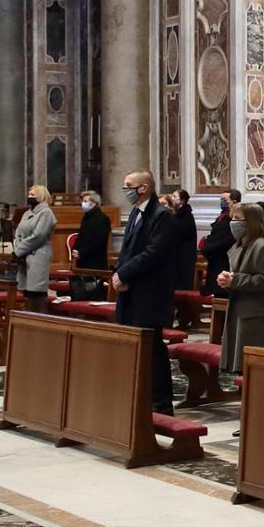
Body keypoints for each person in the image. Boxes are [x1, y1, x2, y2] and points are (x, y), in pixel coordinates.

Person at [113, 170, 180, 414]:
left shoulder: (162, 216)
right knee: (134, 346)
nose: (125, 191)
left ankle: (160, 404)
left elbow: (153, 253)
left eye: (127, 186)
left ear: (143, 188)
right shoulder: (136, 212)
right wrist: (119, 273)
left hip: (150, 294)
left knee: (152, 349)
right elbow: (129, 250)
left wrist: (124, 274)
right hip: (132, 292)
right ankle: (138, 397)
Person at [215, 202, 264, 375]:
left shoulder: (262, 246)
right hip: (240, 304)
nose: (233, 223)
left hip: (255, 311)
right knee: (238, 362)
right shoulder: (239, 244)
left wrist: (234, 280)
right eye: (232, 219)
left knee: (251, 364)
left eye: (237, 219)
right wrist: (227, 279)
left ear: (250, 221)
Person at [12, 186, 57, 314]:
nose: (29, 197)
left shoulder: (46, 213)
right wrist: (18, 250)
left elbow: (39, 236)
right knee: (26, 292)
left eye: (33, 195)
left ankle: (41, 321)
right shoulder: (27, 213)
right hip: (24, 256)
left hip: (38, 255)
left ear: (41, 196)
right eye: (29, 194)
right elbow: (18, 233)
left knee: (36, 292)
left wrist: (19, 251)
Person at [201, 190, 240, 298]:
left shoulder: (234, 219)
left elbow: (227, 240)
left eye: (225, 200)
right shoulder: (222, 217)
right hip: (215, 259)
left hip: (224, 259)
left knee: (222, 293)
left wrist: (208, 248)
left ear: (234, 202)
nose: (222, 202)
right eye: (221, 200)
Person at [167, 189, 199, 291]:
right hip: (177, 254)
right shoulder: (176, 214)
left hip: (184, 256)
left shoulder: (186, 216)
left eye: (175, 197)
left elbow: (180, 234)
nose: (172, 198)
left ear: (182, 201)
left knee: (181, 285)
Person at [76, 191, 110, 269]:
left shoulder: (103, 218)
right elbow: (81, 236)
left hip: (95, 261)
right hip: (82, 259)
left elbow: (99, 241)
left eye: (85, 201)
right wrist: (76, 249)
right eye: (82, 201)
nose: (83, 204)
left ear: (95, 203)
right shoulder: (86, 217)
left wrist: (82, 253)